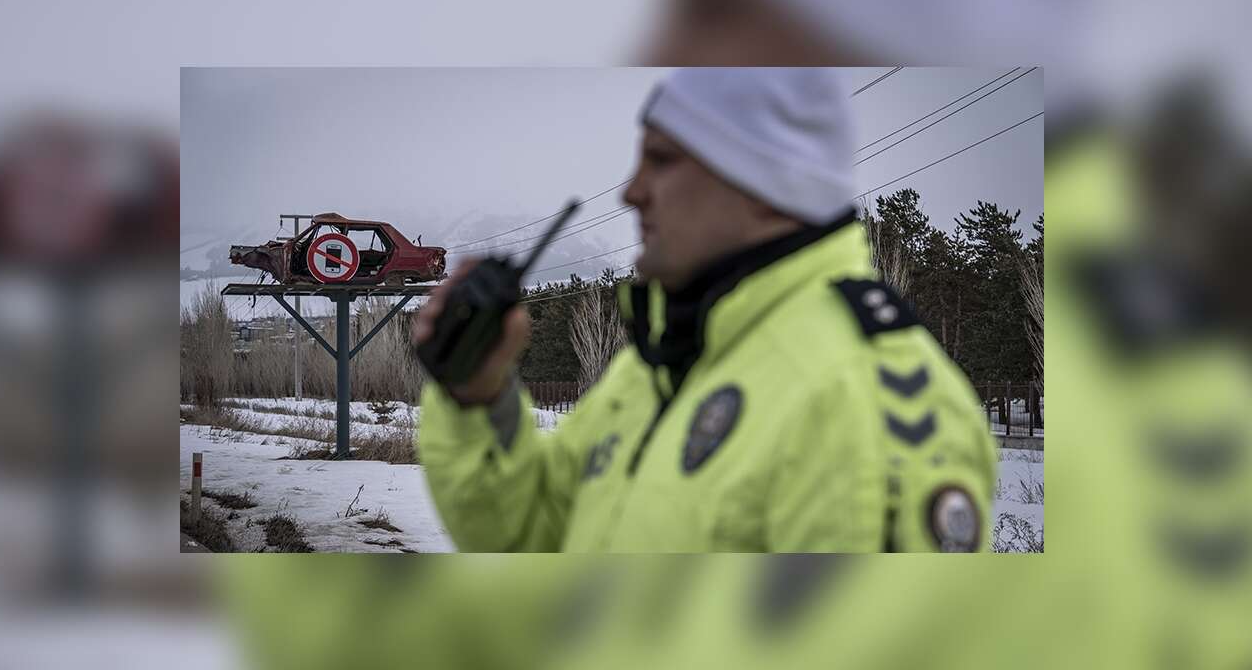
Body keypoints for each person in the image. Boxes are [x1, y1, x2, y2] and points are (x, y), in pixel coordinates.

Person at [414, 67, 994, 551]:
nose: (631, 192)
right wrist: (478, 395)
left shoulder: (861, 401)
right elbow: (533, 535)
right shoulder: (659, 365)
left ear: (766, 181)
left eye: (662, 160)